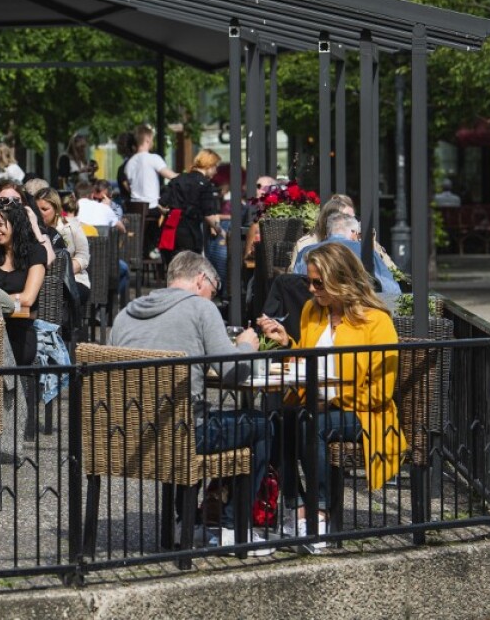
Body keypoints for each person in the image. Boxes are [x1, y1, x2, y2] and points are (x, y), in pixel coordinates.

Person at [108, 251, 271, 552]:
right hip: (183, 435)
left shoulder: (125, 314)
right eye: (214, 290)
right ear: (200, 280)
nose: (213, 298)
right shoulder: (199, 309)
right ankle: (234, 527)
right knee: (260, 424)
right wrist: (246, 345)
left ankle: (187, 522)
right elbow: (232, 371)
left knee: (194, 414)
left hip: (129, 435)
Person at [257, 242, 405, 548]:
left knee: (311, 423)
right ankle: (297, 508)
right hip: (317, 405)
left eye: (318, 283)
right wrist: (287, 344)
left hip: (366, 414)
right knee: (273, 421)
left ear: (342, 280)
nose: (311, 290)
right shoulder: (314, 311)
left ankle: (319, 514)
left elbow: (380, 392)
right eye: (309, 281)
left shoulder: (376, 322)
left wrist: (332, 399)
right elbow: (308, 362)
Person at [0, 199, 46, 435]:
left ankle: (7, 427)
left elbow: (29, 299)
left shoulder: (35, 252)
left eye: (0, 224)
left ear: (15, 224)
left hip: (20, 332)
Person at [293, 212, 402, 296]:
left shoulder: (305, 252)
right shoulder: (365, 251)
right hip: (356, 312)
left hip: (313, 309)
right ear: (353, 232)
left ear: (328, 232)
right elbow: (391, 289)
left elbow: (295, 284)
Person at [124, 124, 178, 259]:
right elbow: (169, 175)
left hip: (134, 208)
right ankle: (156, 248)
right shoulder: (153, 158)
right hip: (151, 209)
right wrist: (186, 176)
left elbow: (130, 185)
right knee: (170, 216)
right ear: (147, 139)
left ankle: (143, 249)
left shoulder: (129, 163)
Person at [34, 187, 90, 307]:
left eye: (45, 209)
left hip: (74, 280)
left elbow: (83, 257)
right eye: (37, 209)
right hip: (40, 281)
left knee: (57, 294)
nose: (40, 213)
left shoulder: (71, 227)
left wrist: (65, 270)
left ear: (56, 209)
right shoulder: (32, 229)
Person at [161, 149, 222, 259]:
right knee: (190, 267)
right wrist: (221, 232)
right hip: (190, 232)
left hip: (170, 229)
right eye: (215, 167)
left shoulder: (179, 179)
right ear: (209, 165)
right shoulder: (205, 185)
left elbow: (161, 203)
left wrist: (170, 212)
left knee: (173, 266)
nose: (216, 171)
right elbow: (209, 215)